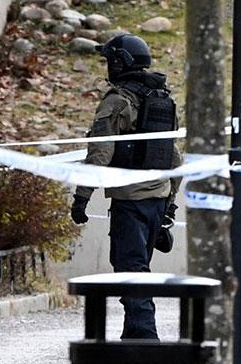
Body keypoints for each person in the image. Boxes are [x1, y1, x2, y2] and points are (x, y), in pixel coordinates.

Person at [70, 32, 181, 340]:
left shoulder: (119, 101)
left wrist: (81, 198)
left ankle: (145, 334)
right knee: (136, 265)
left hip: (130, 200)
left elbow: (100, 152)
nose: (108, 67)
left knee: (131, 269)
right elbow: (174, 158)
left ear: (120, 64)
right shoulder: (162, 99)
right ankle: (133, 330)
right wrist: (170, 204)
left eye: (109, 61)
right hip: (158, 198)